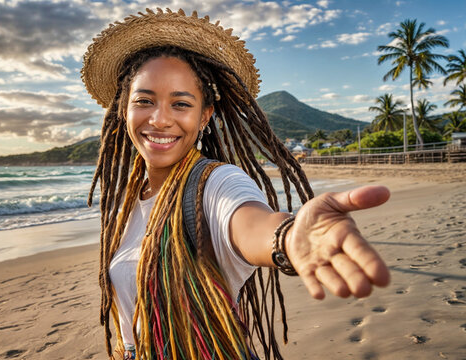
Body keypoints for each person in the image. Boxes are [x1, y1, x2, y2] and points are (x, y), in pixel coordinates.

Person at [81, 8, 390, 360]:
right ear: (124, 109)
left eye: (180, 103)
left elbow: (250, 223)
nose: (160, 118)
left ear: (205, 116)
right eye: (144, 101)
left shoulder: (216, 183)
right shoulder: (128, 203)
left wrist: (289, 237)